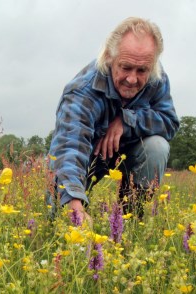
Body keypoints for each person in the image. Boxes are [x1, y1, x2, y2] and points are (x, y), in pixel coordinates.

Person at [47, 17, 179, 222]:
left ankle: (132, 219)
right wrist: (74, 205)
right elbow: (69, 148)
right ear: (109, 57)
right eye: (126, 67)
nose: (133, 79)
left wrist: (127, 121)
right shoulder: (83, 91)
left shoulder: (156, 77)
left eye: (142, 70)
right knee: (60, 217)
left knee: (157, 147)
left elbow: (169, 121)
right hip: (87, 155)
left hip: (129, 151)